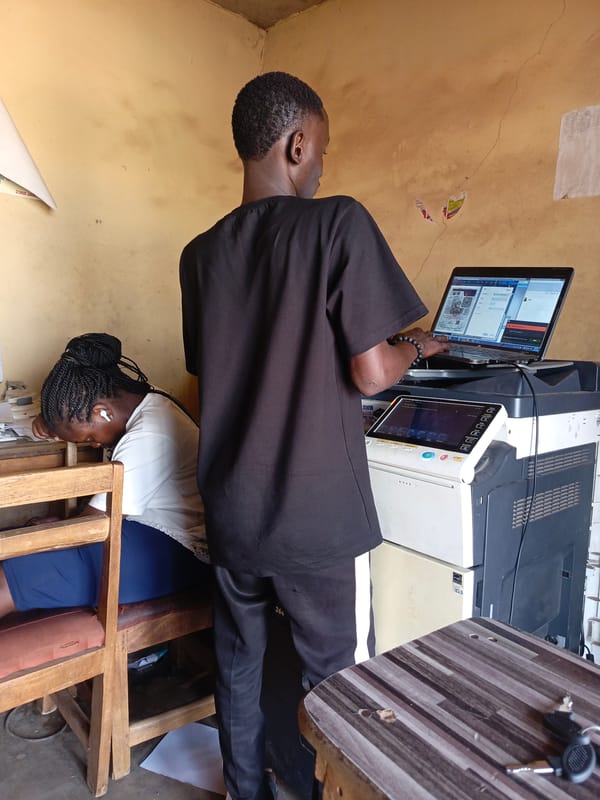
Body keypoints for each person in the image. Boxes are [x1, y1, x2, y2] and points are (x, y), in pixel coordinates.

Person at [179, 71, 449, 800]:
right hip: (316, 517)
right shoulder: (336, 223)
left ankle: (247, 789)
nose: (323, 165)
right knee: (342, 680)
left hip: (234, 507)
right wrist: (419, 347)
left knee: (238, 663)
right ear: (297, 143)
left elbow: (215, 380)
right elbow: (369, 374)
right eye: (321, 150)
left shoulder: (200, 255)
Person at [0, 332, 210, 618]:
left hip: (177, 550)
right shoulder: (140, 400)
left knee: (15, 575)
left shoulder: (149, 436)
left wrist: (48, 531)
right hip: (138, 528)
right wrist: (54, 422)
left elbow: (93, 526)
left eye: (88, 438)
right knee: (20, 546)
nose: (95, 444)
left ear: (101, 412)